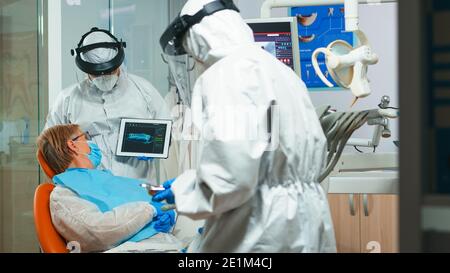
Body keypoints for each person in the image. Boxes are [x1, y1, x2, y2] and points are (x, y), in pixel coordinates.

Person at [154, 0, 336, 252]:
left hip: (261, 224)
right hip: (305, 217)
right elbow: (260, 152)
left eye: (192, 53)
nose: (196, 61)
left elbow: (231, 177)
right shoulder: (280, 72)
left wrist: (187, 190)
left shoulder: (226, 74)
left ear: (199, 37)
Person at [45, 27, 170, 180]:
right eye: (97, 73)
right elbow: (50, 145)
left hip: (137, 186)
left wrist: (155, 145)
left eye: (110, 71)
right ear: (84, 67)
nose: (104, 77)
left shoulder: (144, 91)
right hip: (89, 190)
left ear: (118, 62)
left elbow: (167, 128)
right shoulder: (67, 100)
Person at [37, 124, 180, 253]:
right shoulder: (63, 194)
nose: (91, 143)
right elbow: (98, 231)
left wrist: (168, 209)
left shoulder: (106, 179)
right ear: (73, 145)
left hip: (165, 243)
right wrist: (151, 210)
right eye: (85, 137)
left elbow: (154, 201)